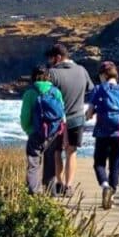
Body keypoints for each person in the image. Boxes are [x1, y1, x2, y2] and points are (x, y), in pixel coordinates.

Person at [45, 44, 94, 196]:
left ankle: (59, 183)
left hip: (57, 120)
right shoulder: (82, 70)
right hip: (77, 118)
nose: (50, 62)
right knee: (71, 152)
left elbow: (46, 96)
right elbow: (91, 89)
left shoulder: (52, 73)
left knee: (57, 151)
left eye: (51, 59)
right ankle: (69, 186)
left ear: (58, 57)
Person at [85, 61, 119, 210]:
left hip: (102, 135)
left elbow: (89, 113)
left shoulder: (98, 89)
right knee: (115, 166)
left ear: (103, 75)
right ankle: (111, 197)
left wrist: (90, 114)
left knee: (99, 164)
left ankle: (105, 185)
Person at [20, 65, 66, 194]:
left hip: (35, 132)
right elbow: (62, 113)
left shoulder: (30, 93)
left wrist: (28, 130)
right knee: (50, 162)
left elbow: (25, 116)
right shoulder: (56, 92)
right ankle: (51, 193)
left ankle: (34, 192)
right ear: (48, 77)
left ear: (33, 77)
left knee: (33, 163)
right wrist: (58, 130)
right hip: (53, 133)